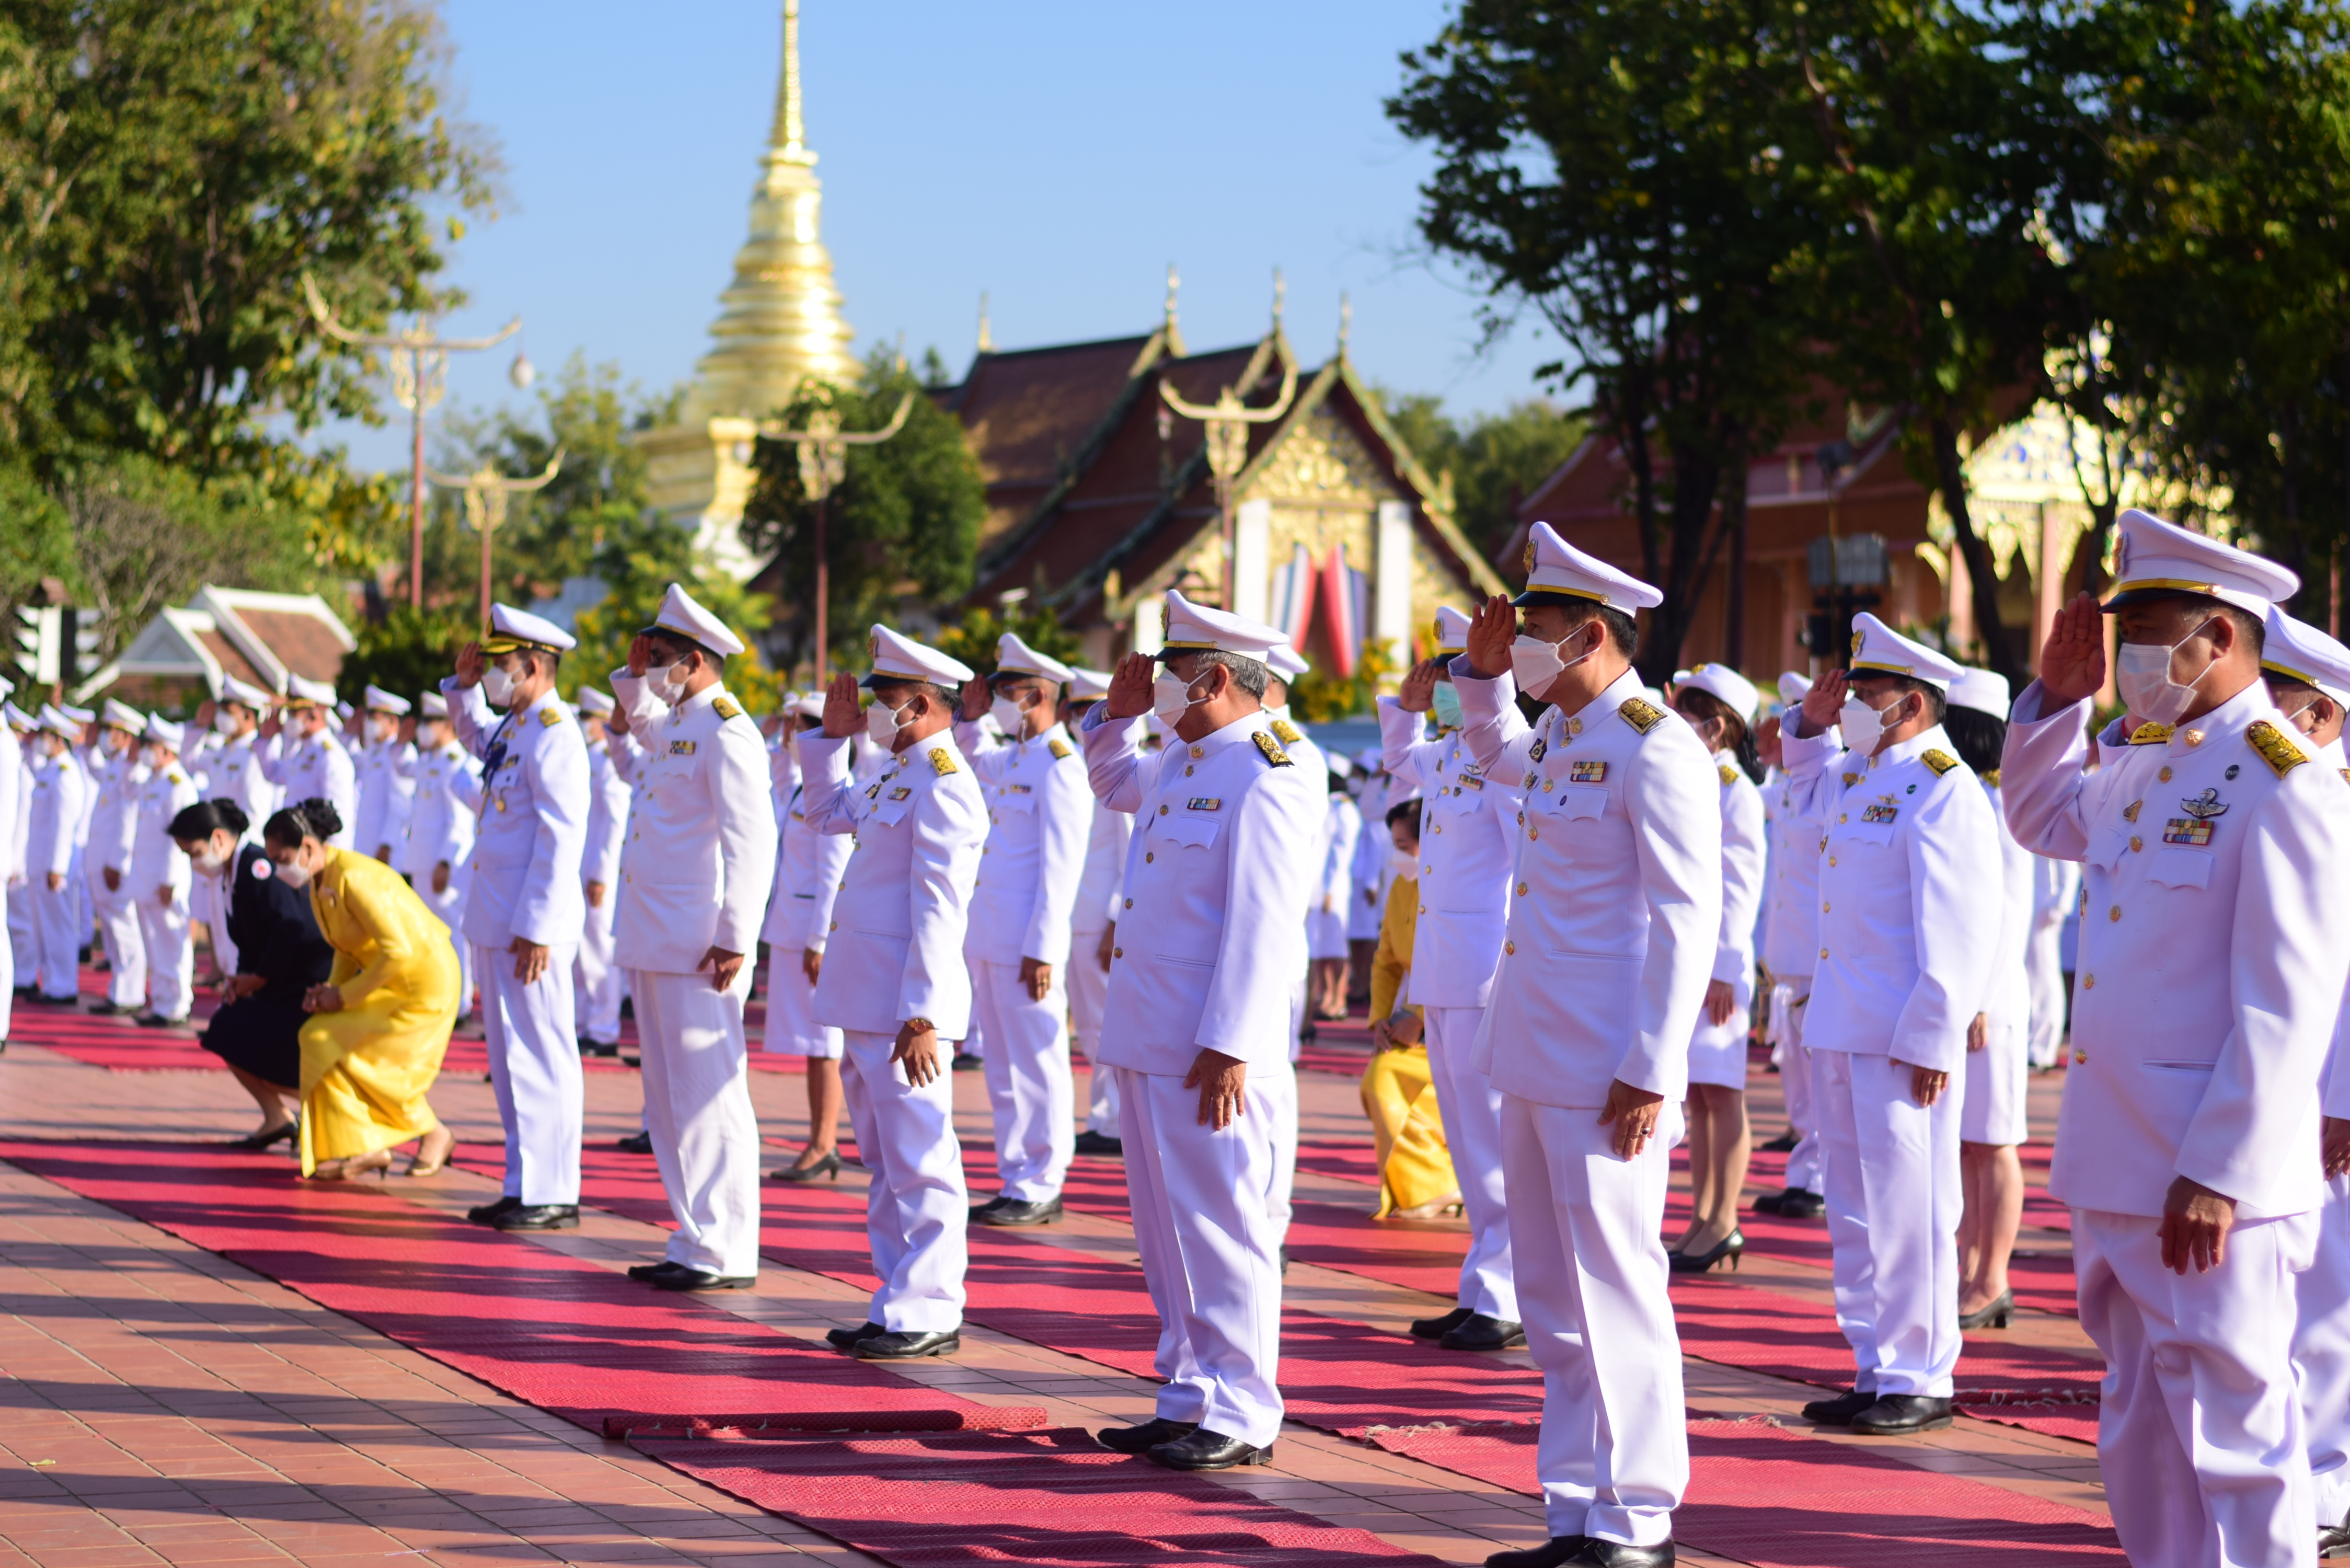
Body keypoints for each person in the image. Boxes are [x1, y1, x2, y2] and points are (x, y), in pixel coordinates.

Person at [2003, 510, 2350, 1567]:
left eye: (2150, 629)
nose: (2131, 654)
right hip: (2115, 1157)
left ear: (2221, 637)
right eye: (2127, 628)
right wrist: (2059, 703)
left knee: (2238, 1430)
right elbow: (2038, 818)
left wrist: (2218, 1169)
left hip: (2208, 1178)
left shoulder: (2284, 781)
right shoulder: (2152, 763)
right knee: (2141, 1424)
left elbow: (2286, 1002)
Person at [1451, 524, 1720, 1568]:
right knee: (1553, 1299)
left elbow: (1686, 920)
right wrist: (1483, 684)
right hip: (1532, 1052)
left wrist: (1652, 1067)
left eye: (1537, 631)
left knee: (1616, 1286)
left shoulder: (1657, 745)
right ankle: (1573, 1507)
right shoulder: (1565, 736)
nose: (1522, 644)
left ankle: (1638, 1516)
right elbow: (1497, 756)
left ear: (1592, 635)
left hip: (1610, 1070)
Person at [1083, 590, 1321, 1472]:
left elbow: (1263, 921)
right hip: (1149, 1028)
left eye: (1169, 674)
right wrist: (1113, 719)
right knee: (1165, 1231)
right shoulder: (1182, 759)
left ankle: (1244, 1409)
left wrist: (1232, 1043)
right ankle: (1187, 1391)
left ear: (1215, 677)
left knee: (1225, 1227)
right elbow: (1110, 781)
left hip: (1210, 1045)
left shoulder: (1270, 768)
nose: (1158, 689)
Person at [1778, 614, 1999, 1439]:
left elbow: (1960, 925)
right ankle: (1874, 1362)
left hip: (1902, 1037)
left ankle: (1920, 1371)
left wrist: (1936, 1036)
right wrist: (1807, 723)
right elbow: (1801, 784)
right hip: (1841, 1023)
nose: (1851, 707)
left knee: (1913, 1207)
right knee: (1856, 1209)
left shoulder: (1945, 785)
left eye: (1866, 695)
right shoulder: (1857, 775)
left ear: (1910, 702)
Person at [803, 625, 987, 1357]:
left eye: (882, 702)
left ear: (918, 705)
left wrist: (924, 1013)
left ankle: (932, 1306)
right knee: (884, 1160)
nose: (872, 713)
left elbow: (941, 907)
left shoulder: (945, 782)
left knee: (921, 1157)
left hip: (904, 1007)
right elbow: (821, 814)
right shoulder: (893, 773)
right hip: (865, 998)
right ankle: (896, 1298)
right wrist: (829, 738)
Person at [608, 585, 779, 1290]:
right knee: (670, 1099)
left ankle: (728, 1247)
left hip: (700, 944)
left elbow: (753, 839)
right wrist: (631, 676)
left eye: (665, 657)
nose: (654, 668)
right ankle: (693, 1235)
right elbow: (632, 751)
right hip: (656, 936)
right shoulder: (680, 722)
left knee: (710, 1095)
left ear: (699, 661)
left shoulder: (726, 728)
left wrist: (737, 936)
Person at [1379, 604, 1524, 1351]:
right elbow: (1400, 764)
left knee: (1495, 1143)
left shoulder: (1508, 756)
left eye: (1454, 673)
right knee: (1470, 1145)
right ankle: (1482, 1287)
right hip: (1442, 972)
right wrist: (1402, 710)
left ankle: (1508, 1297)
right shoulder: (1446, 753)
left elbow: (1524, 874)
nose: (1444, 687)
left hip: (1484, 975)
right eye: (1441, 674)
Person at [443, 605, 592, 1232]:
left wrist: (537, 925)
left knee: (543, 1053)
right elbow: (477, 740)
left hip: (529, 925)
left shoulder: (556, 733)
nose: (498, 678)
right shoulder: (518, 727)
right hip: (495, 915)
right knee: (507, 1060)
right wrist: (464, 688)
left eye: (503, 668)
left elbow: (562, 837)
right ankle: (523, 1181)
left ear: (533, 667)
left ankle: (553, 1188)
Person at [2263, 609, 2350, 1554]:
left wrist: (2344, 1098)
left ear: (2322, 717)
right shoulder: (2272, 794)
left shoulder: (2334, 803)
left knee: (2331, 1286)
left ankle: (2328, 1475)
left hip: (2331, 1088)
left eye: (2277, 706)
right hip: (2281, 1081)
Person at [953, 631, 1090, 1227]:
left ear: (1036, 695)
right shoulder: (1013, 757)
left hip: (1027, 943)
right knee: (1004, 1067)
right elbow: (962, 759)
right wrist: (973, 717)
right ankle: (1015, 1176)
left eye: (1006, 692)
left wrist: (1043, 949)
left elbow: (1060, 870)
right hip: (989, 935)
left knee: (1038, 1062)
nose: (999, 700)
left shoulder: (1061, 766)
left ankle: (1043, 1180)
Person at [264, 797, 459, 1181]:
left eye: (282, 858)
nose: (278, 868)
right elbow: (346, 950)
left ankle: (434, 1133)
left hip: (423, 984)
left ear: (307, 848)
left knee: (373, 1066)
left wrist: (344, 997)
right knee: (319, 1037)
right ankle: (368, 1147)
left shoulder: (355, 877)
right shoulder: (323, 880)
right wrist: (329, 994)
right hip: (387, 981)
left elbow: (398, 951)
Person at [1668, 663, 1768, 1274]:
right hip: (1693, 963)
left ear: (1718, 725)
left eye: (1689, 710)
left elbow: (1741, 885)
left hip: (1719, 967)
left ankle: (1724, 1218)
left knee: (1722, 1094)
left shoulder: (1736, 789)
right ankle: (1700, 1216)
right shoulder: (1699, 779)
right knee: (1699, 1097)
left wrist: (1725, 968)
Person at [1943, 668, 2033, 1330]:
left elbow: (2007, 912)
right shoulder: (1960, 794)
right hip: (1966, 997)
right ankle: (1968, 1267)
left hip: (1992, 998)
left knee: (1993, 1142)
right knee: (1968, 1144)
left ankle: (1992, 1275)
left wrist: (1979, 996)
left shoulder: (2000, 801)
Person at [178, 799, 335, 1147]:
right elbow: (254, 938)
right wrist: (243, 980)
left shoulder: (256, 866)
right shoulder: (231, 872)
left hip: (304, 983)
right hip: (280, 980)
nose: (194, 861)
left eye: (195, 852)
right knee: (226, 1026)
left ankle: (321, 1109)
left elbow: (290, 928)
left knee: (233, 1029)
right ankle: (278, 1117)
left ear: (219, 839)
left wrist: (258, 979)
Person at [762, 692, 850, 1180]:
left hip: (809, 936)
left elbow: (833, 874)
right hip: (792, 932)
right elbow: (780, 770)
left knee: (823, 1045)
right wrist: (783, 735)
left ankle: (824, 1142)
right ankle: (820, 1141)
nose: (790, 734)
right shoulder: (802, 789)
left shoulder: (834, 792)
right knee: (812, 1045)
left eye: (799, 726)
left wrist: (821, 940)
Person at [1360, 795, 1459, 1220]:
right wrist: (1381, 1017)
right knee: (1379, 1081)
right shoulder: (1403, 886)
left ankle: (1438, 1185)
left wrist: (1420, 1021)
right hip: (1414, 1020)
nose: (1398, 854)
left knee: (1387, 1081)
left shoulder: (1455, 886)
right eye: (1395, 845)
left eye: (1405, 845)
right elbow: (1385, 959)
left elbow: (1468, 959)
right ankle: (1429, 1184)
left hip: (1458, 1018)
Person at [1755, 672, 1829, 1218]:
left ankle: (1821, 1178)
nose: (1783, 736)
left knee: (1820, 1078)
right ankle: (1806, 1171)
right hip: (1787, 952)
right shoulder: (1783, 789)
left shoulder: (1835, 781)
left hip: (1819, 953)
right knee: (1798, 1079)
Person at [1064, 667, 1131, 1158]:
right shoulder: (1078, 768)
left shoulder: (1119, 769)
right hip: (1077, 914)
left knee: (1111, 1027)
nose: (1075, 720)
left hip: (1101, 921)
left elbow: (1132, 852)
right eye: (1073, 710)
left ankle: (1116, 1120)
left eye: (1084, 711)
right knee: (1091, 1028)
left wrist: (1116, 920)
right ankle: (1104, 1117)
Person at [401, 691, 481, 1027]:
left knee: (452, 935)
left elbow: (459, 822)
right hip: (422, 863)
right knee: (428, 936)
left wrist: (446, 862)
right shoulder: (430, 761)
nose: (423, 728)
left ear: (448, 725)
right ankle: (435, 995)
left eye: (430, 722)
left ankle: (461, 1004)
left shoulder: (457, 763)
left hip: (442, 868)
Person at [128, 717, 199, 1027]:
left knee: (172, 942)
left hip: (166, 878)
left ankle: (177, 1005)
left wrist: (170, 879)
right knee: (154, 943)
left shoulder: (178, 785)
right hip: (145, 875)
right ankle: (160, 1002)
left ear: (167, 750)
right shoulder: (153, 781)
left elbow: (179, 838)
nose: (144, 751)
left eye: (150, 746)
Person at [573, 686, 630, 1056]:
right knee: (582, 954)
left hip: (599, 870)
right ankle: (585, 1023)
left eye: (586, 718)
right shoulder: (590, 757)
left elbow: (614, 820)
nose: (582, 724)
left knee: (599, 952)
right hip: (584, 866)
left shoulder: (608, 759)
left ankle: (605, 1028)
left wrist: (602, 874)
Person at [84, 699, 149, 1017]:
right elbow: (93, 767)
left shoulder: (132, 771)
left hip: (114, 863)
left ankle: (129, 994)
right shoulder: (116, 765)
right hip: (101, 859)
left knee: (124, 929)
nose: (106, 735)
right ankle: (120, 991)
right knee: (112, 929)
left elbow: (128, 818)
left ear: (127, 736)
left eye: (111, 730)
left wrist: (119, 862)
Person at [25, 707, 88, 1006]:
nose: (37, 740)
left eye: (43, 735)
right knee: (45, 929)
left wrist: (58, 867)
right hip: (42, 862)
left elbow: (65, 823)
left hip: (56, 865)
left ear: (57, 739)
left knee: (60, 927)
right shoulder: (50, 770)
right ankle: (52, 983)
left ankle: (64, 986)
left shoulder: (66, 772)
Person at [262, 675, 355, 848]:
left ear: (315, 714)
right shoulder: (302, 752)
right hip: (297, 849)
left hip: (316, 854)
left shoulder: (330, 756)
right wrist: (265, 740)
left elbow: (338, 819)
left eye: (295, 712)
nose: (289, 718)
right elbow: (274, 775)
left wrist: (326, 864)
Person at [1308, 756, 1362, 1022]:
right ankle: (1325, 996)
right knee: (1320, 947)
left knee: (1336, 947)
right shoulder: (1329, 806)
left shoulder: (1344, 810)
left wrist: (1330, 890)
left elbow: (1342, 855)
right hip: (1319, 888)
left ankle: (1338, 998)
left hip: (1333, 889)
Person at [351, 686, 417, 864]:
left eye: (375, 719)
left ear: (392, 722)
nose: (368, 723)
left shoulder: (402, 754)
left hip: (384, 851)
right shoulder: (375, 752)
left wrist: (386, 844)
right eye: (368, 718)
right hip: (363, 845)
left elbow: (400, 805)